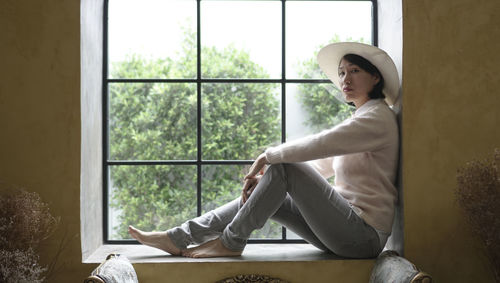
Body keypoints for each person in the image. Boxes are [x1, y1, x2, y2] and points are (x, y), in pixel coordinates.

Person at [128, 42, 400, 259]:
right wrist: (268, 183)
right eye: (341, 72)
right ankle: (179, 238)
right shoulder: (360, 119)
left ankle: (230, 242)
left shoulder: (377, 118)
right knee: (273, 180)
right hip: (340, 231)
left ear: (375, 77)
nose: (345, 79)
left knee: (284, 166)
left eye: (354, 71)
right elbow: (322, 166)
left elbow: (321, 143)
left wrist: (268, 157)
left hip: (363, 237)